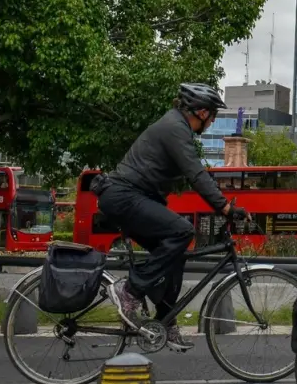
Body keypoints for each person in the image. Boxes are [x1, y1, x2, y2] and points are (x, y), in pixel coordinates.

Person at [94, 83, 248, 351]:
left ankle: (165, 319)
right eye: (212, 115)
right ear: (200, 112)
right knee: (182, 231)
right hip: (123, 195)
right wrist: (224, 207)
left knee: (175, 255)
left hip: (133, 197)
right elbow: (196, 174)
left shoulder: (176, 126)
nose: (212, 122)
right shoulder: (175, 128)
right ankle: (129, 291)